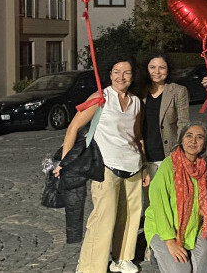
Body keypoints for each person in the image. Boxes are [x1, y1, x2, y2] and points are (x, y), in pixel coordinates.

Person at [54, 56, 147, 273]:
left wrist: (143, 165)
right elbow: (73, 129)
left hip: (132, 166)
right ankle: (90, 268)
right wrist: (65, 162)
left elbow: (137, 136)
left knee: (131, 217)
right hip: (106, 166)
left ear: (133, 76)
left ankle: (122, 258)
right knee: (102, 220)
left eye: (126, 72)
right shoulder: (100, 97)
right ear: (109, 74)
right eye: (116, 71)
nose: (121, 76)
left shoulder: (136, 102)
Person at [144, 124, 207, 273]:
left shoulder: (204, 168)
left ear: (205, 144)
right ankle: (158, 253)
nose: (193, 141)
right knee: (181, 271)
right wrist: (170, 241)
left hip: (192, 229)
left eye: (199, 137)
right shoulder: (169, 165)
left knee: (203, 269)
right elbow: (158, 203)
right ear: (181, 139)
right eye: (189, 135)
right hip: (163, 229)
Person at [141, 52, 190, 192]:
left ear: (168, 70)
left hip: (168, 155)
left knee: (168, 198)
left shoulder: (178, 91)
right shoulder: (139, 91)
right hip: (143, 157)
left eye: (162, 67)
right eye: (152, 67)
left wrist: (180, 153)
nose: (157, 72)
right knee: (148, 203)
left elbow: (183, 124)